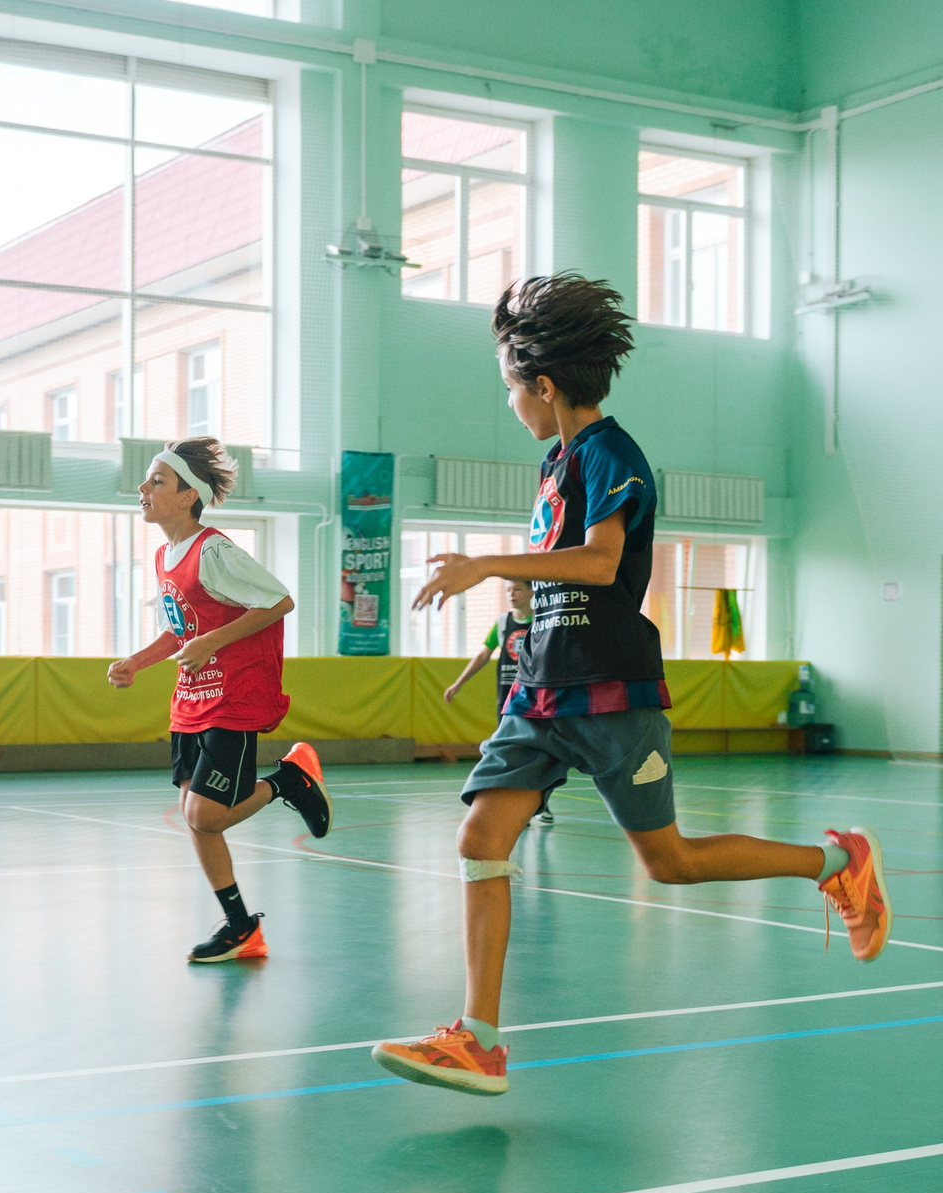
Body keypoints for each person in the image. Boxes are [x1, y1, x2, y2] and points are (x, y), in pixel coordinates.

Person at [370, 273, 890, 1099]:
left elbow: (601, 561)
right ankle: (479, 1039)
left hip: (611, 689)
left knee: (669, 862)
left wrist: (486, 563)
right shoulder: (555, 463)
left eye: (510, 386)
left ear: (544, 386)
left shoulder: (612, 453)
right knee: (479, 839)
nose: (509, 401)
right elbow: (558, 572)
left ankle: (837, 860)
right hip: (541, 692)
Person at [107, 438, 333, 963]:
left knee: (207, 815)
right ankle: (240, 928)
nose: (143, 488)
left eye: (157, 481)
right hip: (191, 700)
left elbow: (279, 601)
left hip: (233, 695)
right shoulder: (164, 556)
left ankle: (290, 780)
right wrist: (137, 662)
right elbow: (180, 630)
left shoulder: (214, 550)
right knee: (195, 817)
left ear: (189, 496)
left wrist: (212, 641)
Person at [442, 578, 561, 825]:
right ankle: (516, 808)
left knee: (542, 752)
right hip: (508, 700)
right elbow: (484, 655)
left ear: (531, 591)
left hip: (537, 698)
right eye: (508, 590)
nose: (511, 594)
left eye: (517, 589)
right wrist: (458, 683)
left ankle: (543, 804)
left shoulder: (543, 620)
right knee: (509, 753)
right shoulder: (502, 623)